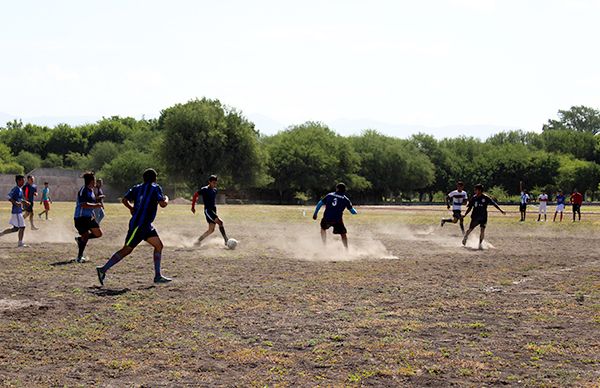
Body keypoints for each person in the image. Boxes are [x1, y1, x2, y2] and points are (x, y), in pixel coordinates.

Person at [96, 168, 171, 285]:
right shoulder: (155, 187)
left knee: (159, 246)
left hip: (146, 226)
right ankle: (103, 269)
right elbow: (163, 204)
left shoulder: (137, 188)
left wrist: (131, 208)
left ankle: (157, 276)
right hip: (138, 226)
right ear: (155, 178)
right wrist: (166, 198)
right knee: (127, 250)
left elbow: (125, 199)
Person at [313, 182, 358, 249]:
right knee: (343, 234)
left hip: (327, 218)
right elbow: (352, 212)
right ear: (344, 190)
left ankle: (324, 245)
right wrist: (355, 211)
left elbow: (320, 203)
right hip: (337, 220)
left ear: (337, 189)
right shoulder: (345, 199)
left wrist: (315, 213)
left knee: (323, 228)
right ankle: (346, 249)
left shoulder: (329, 195)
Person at [462, 184, 505, 250]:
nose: (474, 191)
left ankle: (480, 244)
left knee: (482, 230)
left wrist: (500, 210)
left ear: (479, 190)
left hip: (483, 217)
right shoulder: (474, 198)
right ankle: (465, 237)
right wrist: (465, 214)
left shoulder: (485, 197)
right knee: (470, 229)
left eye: (475, 189)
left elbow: (494, 203)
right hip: (475, 217)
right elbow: (470, 207)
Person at [74, 172, 104, 263]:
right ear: (91, 181)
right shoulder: (84, 190)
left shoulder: (91, 191)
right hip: (80, 217)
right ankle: (79, 257)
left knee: (98, 234)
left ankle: (80, 239)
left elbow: (89, 204)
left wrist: (93, 213)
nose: (95, 182)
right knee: (86, 235)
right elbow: (83, 205)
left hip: (89, 217)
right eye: (94, 180)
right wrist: (96, 205)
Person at [191, 175, 229, 246]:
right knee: (220, 222)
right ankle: (226, 240)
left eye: (216, 183)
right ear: (209, 182)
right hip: (208, 210)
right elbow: (195, 195)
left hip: (213, 210)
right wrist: (193, 207)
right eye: (213, 182)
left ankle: (198, 241)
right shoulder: (204, 189)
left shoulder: (215, 190)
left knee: (211, 230)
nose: (215, 184)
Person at [0, 175, 30, 247]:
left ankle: (1, 234)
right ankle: (20, 243)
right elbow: (8, 196)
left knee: (15, 229)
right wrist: (15, 203)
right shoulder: (16, 189)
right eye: (22, 180)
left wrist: (24, 202)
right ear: (18, 181)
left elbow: (19, 199)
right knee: (22, 227)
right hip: (16, 212)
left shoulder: (20, 189)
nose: (23, 182)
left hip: (18, 211)